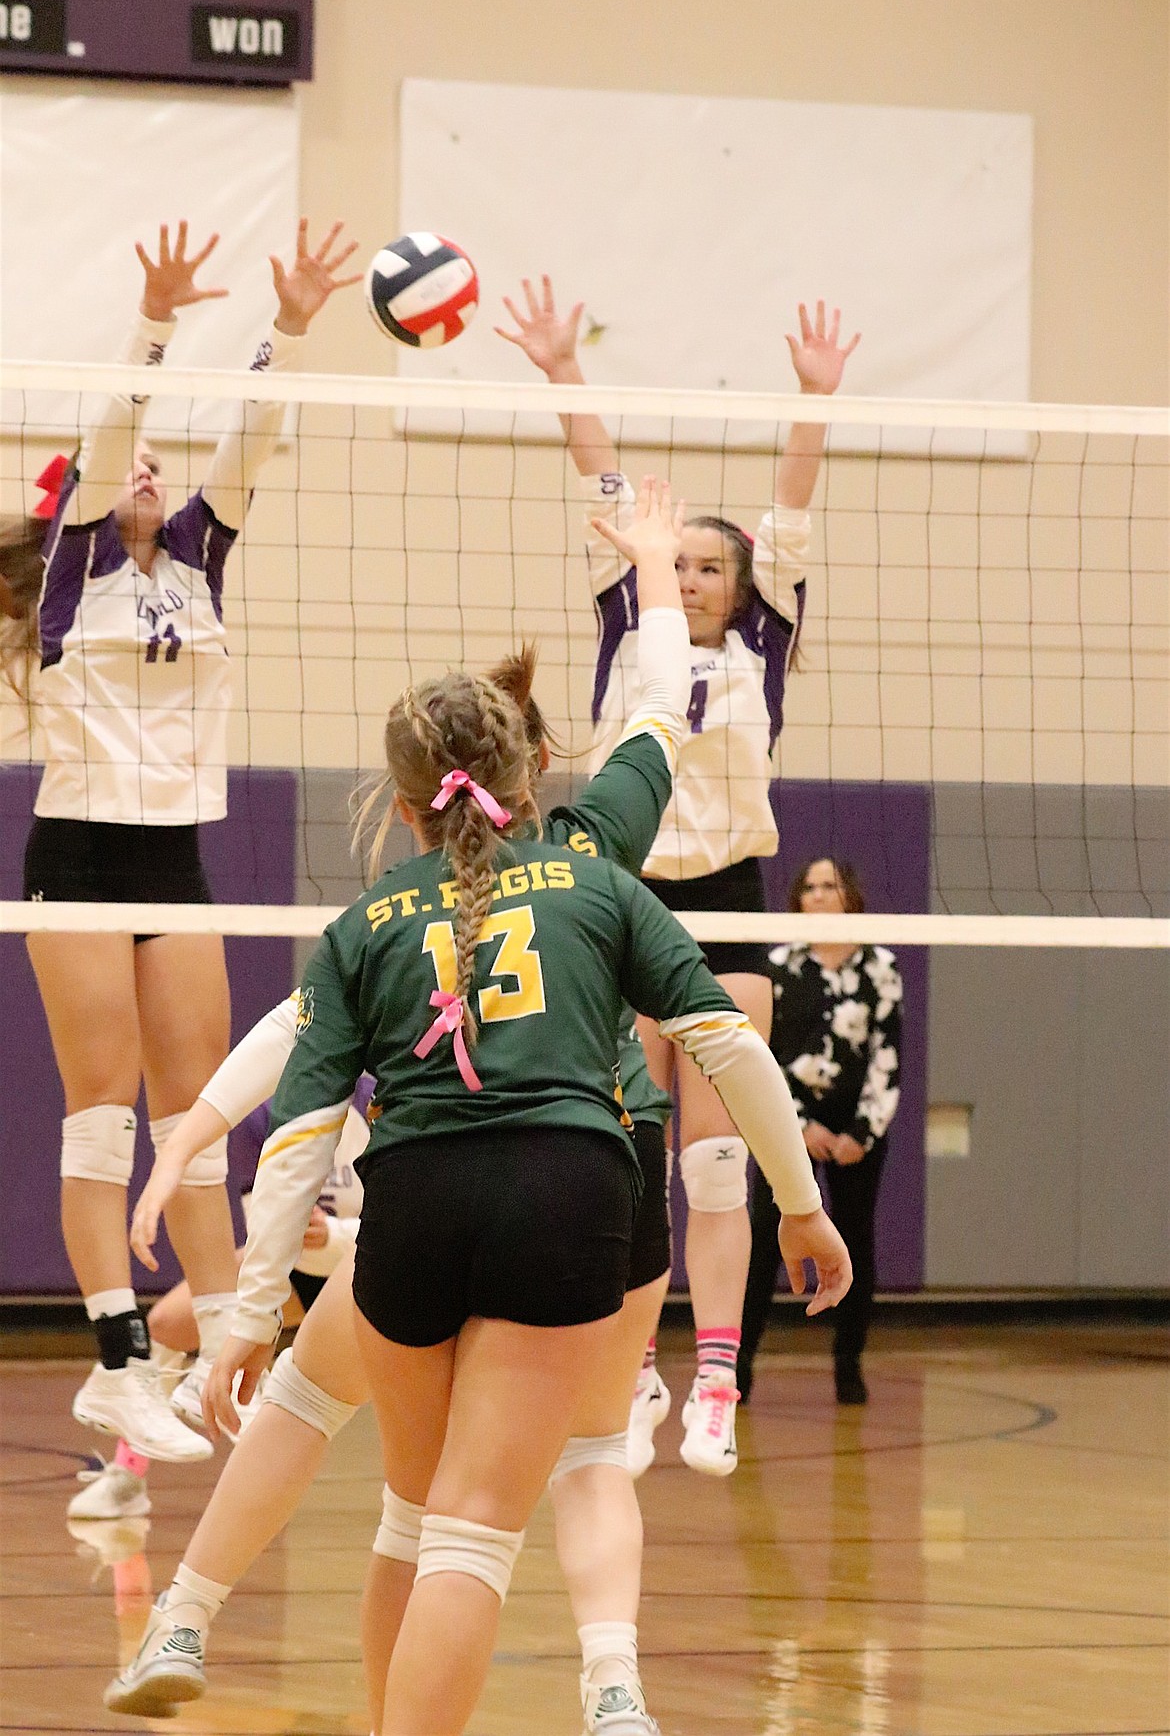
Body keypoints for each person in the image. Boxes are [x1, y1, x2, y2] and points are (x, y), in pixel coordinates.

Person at [108, 493, 851, 1736]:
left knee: (375, 1474)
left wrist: (239, 1313)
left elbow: (294, 1129)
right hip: (577, 1197)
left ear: (406, 806)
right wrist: (657, 578)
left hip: (411, 1207)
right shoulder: (597, 863)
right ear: (534, 766)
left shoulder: (373, 919)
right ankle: (611, 1684)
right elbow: (667, 729)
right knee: (480, 1525)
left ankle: (188, 1608)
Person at [0, 217, 360, 1464]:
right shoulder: (68, 576)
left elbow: (250, 439)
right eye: (134, 463)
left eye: (161, 463)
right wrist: (152, 326)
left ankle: (220, 1342)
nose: (151, 471)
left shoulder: (202, 553)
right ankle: (113, 1366)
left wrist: (293, 324)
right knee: (100, 1114)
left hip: (176, 854)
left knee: (196, 1112)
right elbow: (109, 438)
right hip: (81, 857)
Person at [496, 279, 860, 1476]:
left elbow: (791, 511)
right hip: (621, 895)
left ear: (744, 587)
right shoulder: (626, 631)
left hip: (728, 900)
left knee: (718, 1154)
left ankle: (716, 1378)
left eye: (713, 565)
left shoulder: (764, 642)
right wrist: (561, 372)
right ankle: (631, 1371)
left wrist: (813, 402)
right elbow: (603, 486)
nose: (694, 576)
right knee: (625, 1148)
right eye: (683, 563)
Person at [67, 1093, 369, 1522]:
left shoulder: (380, 1094)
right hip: (295, 1266)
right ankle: (128, 1475)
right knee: (167, 1324)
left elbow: (412, 1218)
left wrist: (336, 1234)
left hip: (373, 1261)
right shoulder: (264, 1114)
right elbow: (261, 1219)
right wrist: (293, 1234)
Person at [738, 858, 903, 1406]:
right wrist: (797, 1127)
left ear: (849, 896)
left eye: (828, 886)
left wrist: (861, 1131)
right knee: (763, 1246)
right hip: (787, 1128)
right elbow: (763, 1055)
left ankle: (848, 1367)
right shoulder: (779, 968)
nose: (818, 896)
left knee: (855, 1242)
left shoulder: (881, 968)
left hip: (857, 1132)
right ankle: (737, 1372)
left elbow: (888, 1056)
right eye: (808, 888)